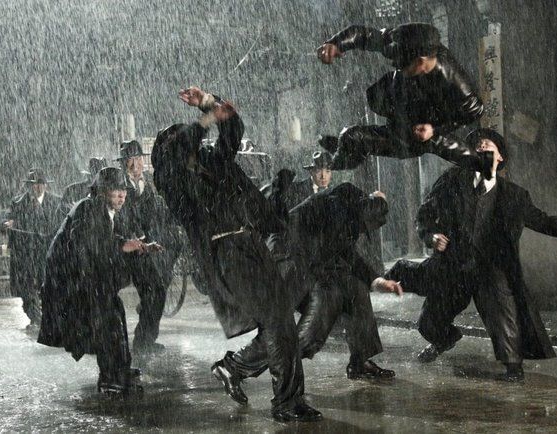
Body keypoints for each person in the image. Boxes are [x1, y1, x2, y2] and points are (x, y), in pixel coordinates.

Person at [151, 86, 321, 422]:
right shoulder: (170, 179)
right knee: (276, 318)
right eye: (178, 139)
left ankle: (286, 396)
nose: (189, 140)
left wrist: (212, 104)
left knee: (282, 319)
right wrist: (206, 118)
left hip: (251, 243)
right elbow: (181, 145)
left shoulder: (213, 162)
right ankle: (284, 401)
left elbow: (231, 133)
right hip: (226, 254)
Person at [385, 128, 557, 381]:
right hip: (455, 266)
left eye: (487, 146)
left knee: (504, 315)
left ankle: (513, 369)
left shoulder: (514, 196)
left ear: (500, 157)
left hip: (491, 267)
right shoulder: (451, 182)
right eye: (476, 147)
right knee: (428, 323)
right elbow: (424, 215)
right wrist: (431, 236)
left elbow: (545, 222)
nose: (481, 148)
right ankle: (444, 339)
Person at [217, 182, 403, 404]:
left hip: (310, 265)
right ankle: (233, 367)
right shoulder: (339, 203)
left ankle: (360, 361)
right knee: (288, 328)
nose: (363, 231)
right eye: (364, 225)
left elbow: (347, 254)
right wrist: (379, 200)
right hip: (288, 258)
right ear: (363, 209)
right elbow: (328, 248)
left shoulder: (349, 216)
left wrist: (377, 281)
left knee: (354, 290)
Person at [37, 167, 162, 396]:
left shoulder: (102, 209)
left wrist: (137, 246)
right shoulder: (88, 208)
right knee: (107, 319)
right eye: (116, 191)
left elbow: (105, 238)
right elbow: (88, 242)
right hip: (70, 281)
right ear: (103, 191)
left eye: (124, 191)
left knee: (113, 313)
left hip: (84, 278)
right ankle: (110, 377)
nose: (122, 196)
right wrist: (123, 245)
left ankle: (119, 369)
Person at [316, 22, 492, 176]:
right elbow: (363, 34)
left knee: (354, 136)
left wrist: (434, 129)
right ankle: (351, 150)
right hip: (399, 97)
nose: (396, 65)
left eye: (402, 64)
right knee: (374, 101)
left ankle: (345, 155)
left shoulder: (453, 80)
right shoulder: (404, 45)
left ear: (421, 62)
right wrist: (336, 43)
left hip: (417, 126)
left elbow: (475, 111)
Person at [116, 140, 183, 353]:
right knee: (154, 291)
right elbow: (122, 218)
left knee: (156, 292)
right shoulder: (120, 186)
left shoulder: (150, 183)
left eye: (138, 159)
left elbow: (160, 212)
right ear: (123, 163)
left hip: (152, 246)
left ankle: (146, 339)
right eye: (130, 160)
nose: (135, 164)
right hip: (132, 249)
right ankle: (142, 343)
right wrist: (138, 238)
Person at [0, 168, 61, 328]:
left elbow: (63, 222)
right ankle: (35, 318)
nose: (37, 187)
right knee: (25, 287)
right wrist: (7, 223)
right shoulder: (18, 203)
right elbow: (6, 219)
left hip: (47, 251)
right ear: (29, 186)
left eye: (40, 183)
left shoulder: (56, 202)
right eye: (34, 184)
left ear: (46, 185)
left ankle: (47, 317)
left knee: (47, 284)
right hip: (25, 251)